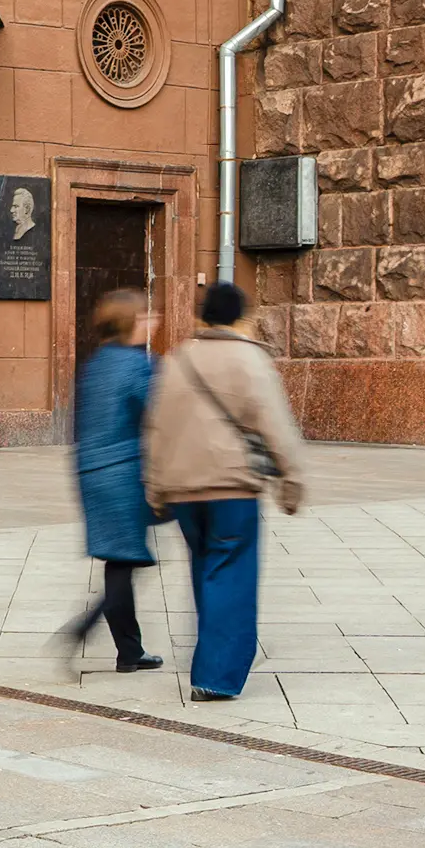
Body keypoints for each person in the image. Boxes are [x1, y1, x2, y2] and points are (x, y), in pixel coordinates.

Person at [144, 281, 305, 701]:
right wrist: (291, 481)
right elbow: (276, 426)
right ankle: (217, 675)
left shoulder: (177, 359)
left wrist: (155, 487)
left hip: (183, 491)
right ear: (240, 317)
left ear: (203, 316)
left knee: (205, 571)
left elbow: (156, 428)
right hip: (232, 488)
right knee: (231, 573)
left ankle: (208, 661)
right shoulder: (250, 360)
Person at [59, 290, 164, 674]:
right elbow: (161, 413)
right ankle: (84, 628)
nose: (154, 321)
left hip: (91, 472)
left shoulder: (97, 362)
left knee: (120, 560)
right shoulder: (137, 365)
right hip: (123, 475)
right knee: (125, 560)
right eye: (147, 316)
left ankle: (129, 651)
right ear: (131, 322)